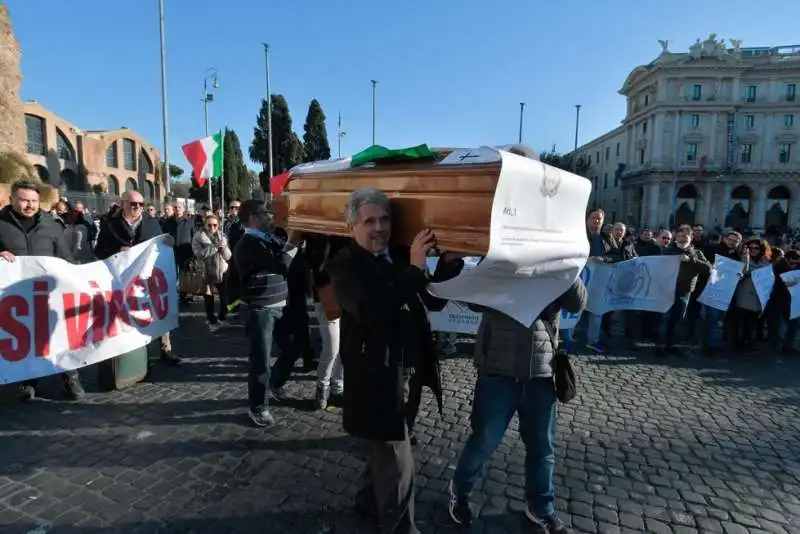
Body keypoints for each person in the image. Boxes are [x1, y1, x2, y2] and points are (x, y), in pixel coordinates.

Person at [327, 187, 458, 534]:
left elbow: (432, 302)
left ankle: (367, 502)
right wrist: (415, 269)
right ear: (351, 226)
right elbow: (371, 309)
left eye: (385, 218)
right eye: (369, 221)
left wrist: (444, 268)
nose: (379, 227)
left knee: (383, 446)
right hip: (375, 376)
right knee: (398, 459)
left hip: (406, 371)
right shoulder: (343, 265)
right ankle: (401, 528)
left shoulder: (400, 255)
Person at [447, 279, 586, 532]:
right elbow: (473, 302)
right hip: (497, 369)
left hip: (541, 373)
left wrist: (570, 268)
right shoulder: (500, 253)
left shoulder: (557, 260)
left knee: (542, 448)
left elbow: (576, 304)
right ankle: (460, 491)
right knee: (484, 440)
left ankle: (541, 508)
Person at [0, 179, 85, 401]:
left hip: (49, 295)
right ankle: (28, 382)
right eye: (24, 200)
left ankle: (70, 377)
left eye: (34, 201)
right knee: (26, 339)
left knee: (59, 336)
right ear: (12, 199)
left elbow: (65, 257)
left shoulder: (51, 224)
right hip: (15, 297)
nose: (29, 205)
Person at [94, 190, 180, 365]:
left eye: (141, 204)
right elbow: (99, 251)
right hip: (121, 280)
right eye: (133, 204)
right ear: (123, 203)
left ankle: (166, 350)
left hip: (148, 279)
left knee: (157, 311)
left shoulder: (152, 223)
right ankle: (133, 355)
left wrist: (168, 244)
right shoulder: (110, 225)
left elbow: (161, 245)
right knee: (127, 316)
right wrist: (118, 252)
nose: (138, 208)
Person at [227, 199, 290, 427]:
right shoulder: (248, 244)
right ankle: (258, 406)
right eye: (265, 213)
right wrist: (295, 241)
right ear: (253, 217)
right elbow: (281, 264)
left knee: (293, 346)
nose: (269, 217)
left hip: (280, 305)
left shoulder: (267, 239)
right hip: (260, 310)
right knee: (261, 361)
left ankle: (274, 383)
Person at [191, 214, 232, 331]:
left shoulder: (222, 236)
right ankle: (211, 320)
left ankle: (221, 317)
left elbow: (228, 256)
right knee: (209, 299)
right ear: (205, 225)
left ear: (218, 225)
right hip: (206, 271)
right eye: (209, 225)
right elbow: (198, 254)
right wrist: (214, 247)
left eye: (215, 225)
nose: (212, 228)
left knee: (225, 298)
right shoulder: (198, 237)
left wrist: (224, 247)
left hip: (221, 270)